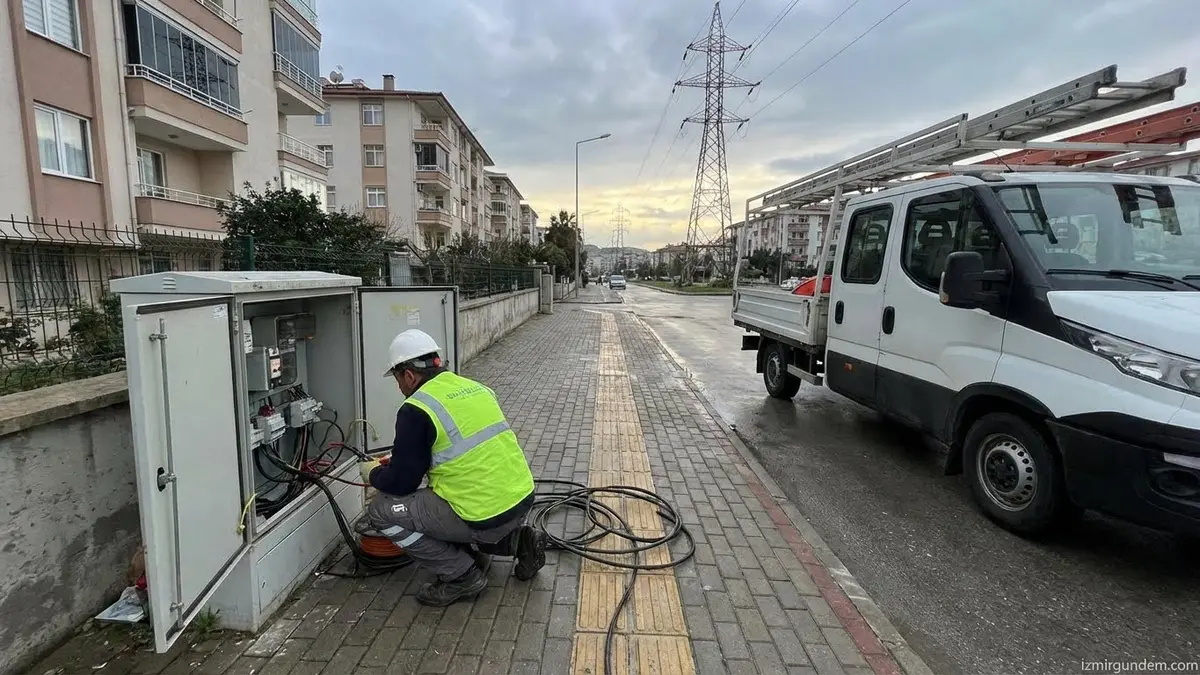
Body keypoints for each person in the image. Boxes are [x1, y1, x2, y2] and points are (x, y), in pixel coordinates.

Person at [360, 328, 547, 606]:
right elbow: (458, 448)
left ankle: (461, 575)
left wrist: (373, 473)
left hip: (482, 515)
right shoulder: (476, 388)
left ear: (408, 376)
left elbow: (402, 484)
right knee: (447, 499)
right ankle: (517, 541)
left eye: (398, 380)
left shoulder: (415, 409)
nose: (399, 388)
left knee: (381, 510)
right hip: (520, 500)